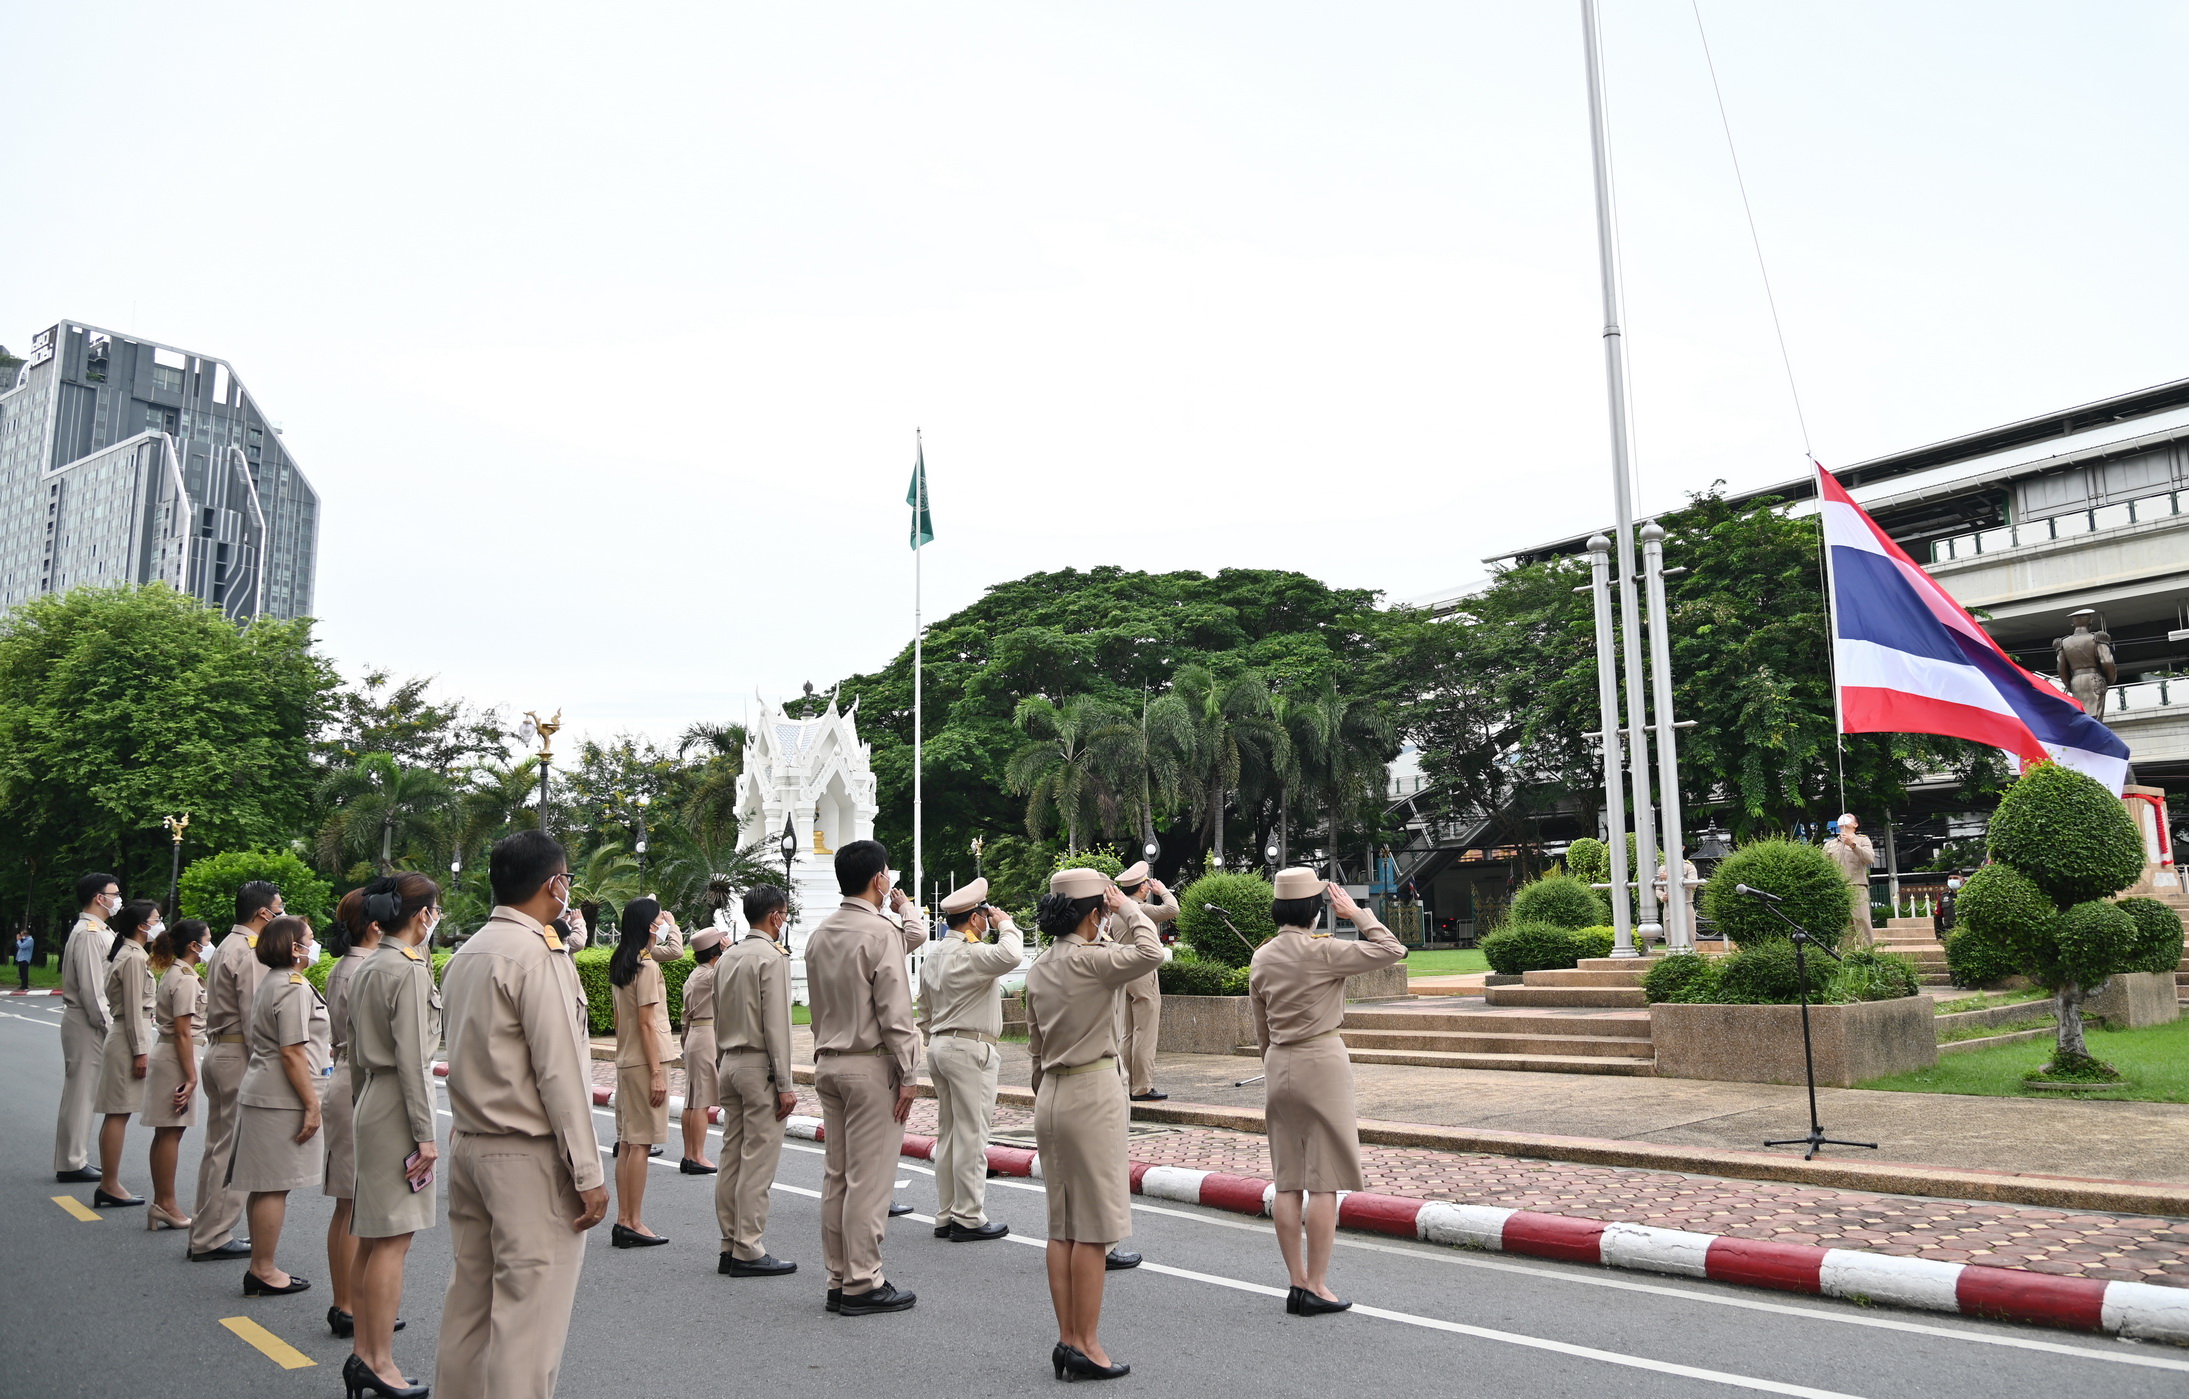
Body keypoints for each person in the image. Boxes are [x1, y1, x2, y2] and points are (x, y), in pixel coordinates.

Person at [434, 830, 609, 1399]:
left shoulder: (468, 952)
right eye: (566, 880)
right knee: (528, 1323)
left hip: (470, 1142)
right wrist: (587, 1171)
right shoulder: (537, 955)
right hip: (525, 1154)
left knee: (470, 1307)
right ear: (554, 885)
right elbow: (559, 1072)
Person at [1248, 870, 1406, 1316]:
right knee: (1324, 1182)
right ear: (1315, 912)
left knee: (1288, 1181)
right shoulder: (1325, 951)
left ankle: (1296, 1282)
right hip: (1321, 1060)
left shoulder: (1262, 956)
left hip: (1278, 1062)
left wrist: (1273, 1063)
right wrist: (1357, 914)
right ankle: (1316, 1284)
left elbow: (1261, 1027)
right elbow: (1393, 949)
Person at [1025, 868, 1161, 1381]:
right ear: (1094, 913)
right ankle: (1087, 1343)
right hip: (1092, 1090)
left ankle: (1067, 1338)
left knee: (1061, 1227)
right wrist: (1129, 907)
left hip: (1052, 1093)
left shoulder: (1041, 966)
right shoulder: (1094, 962)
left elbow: (1035, 1049)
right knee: (1094, 1230)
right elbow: (1151, 952)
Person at [806, 839, 924, 1315]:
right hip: (871, 1063)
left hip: (830, 1060)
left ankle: (838, 1277)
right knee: (869, 1180)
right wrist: (909, 1071)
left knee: (837, 1176)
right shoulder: (880, 932)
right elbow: (895, 1011)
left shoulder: (820, 933)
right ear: (879, 879)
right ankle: (862, 1280)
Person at [344, 871, 444, 1399]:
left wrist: (362, 1106)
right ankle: (379, 1361)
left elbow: (354, 1054)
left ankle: (364, 1354)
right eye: (436, 910)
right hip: (399, 1108)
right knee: (392, 1240)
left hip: (373, 1099)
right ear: (423, 915)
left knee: (374, 1236)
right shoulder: (406, 969)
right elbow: (412, 1060)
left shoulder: (369, 964)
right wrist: (425, 1134)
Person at [231, 914, 332, 1297]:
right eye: (309, 938)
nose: (314, 944)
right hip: (281, 1098)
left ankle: (261, 1265)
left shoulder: (278, 981)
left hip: (269, 1092)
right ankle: (263, 1269)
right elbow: (292, 1052)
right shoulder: (291, 986)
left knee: (266, 1186)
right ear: (294, 948)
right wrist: (312, 1105)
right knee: (274, 1187)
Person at [917, 877, 1023, 1242]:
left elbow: (923, 1010)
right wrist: (1006, 924)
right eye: (985, 915)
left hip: (940, 1046)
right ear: (975, 919)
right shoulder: (972, 953)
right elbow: (1011, 955)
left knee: (948, 1134)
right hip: (969, 1048)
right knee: (972, 1135)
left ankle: (947, 1213)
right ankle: (968, 1216)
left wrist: (934, 1038)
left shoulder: (934, 955)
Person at [188, 879, 286, 1262]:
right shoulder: (250, 951)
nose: (282, 914)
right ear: (263, 913)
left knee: (218, 1147)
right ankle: (212, 1235)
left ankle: (205, 1229)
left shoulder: (228, 945)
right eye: (279, 908)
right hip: (238, 1054)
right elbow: (255, 1016)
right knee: (231, 1151)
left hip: (220, 1050)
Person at [712, 884, 799, 1278]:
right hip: (759, 1065)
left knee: (731, 1155)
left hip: (729, 1061)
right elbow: (776, 1025)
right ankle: (748, 1246)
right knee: (758, 1161)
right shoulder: (772, 958)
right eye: (784, 916)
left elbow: (716, 1015)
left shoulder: (727, 956)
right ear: (775, 916)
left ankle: (730, 1243)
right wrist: (785, 1083)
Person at [322, 885, 386, 1338]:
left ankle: (348, 1303)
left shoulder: (349, 964)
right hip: (357, 1079)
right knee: (351, 1202)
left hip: (347, 1073)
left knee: (350, 1202)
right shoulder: (363, 968)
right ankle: (346, 1305)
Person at [608, 896, 678, 1246]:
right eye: (659, 919)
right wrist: (656, 1073)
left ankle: (625, 1220)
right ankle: (633, 1221)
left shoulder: (622, 960)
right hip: (646, 1060)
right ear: (649, 926)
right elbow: (647, 1023)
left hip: (627, 1058)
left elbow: (622, 1019)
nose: (663, 924)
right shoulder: (646, 967)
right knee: (640, 1144)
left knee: (628, 1143)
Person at [90, 899, 162, 1208]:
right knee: (118, 1113)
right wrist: (140, 1052)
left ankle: (109, 1183)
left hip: (125, 1037)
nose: (160, 925)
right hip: (127, 1040)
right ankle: (110, 1184)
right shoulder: (132, 957)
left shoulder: (132, 953)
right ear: (142, 926)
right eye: (156, 919)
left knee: (118, 1112)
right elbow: (133, 1010)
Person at [141, 918, 211, 1230]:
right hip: (177, 1058)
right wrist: (191, 1076)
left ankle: (161, 1203)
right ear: (194, 946)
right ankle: (166, 1204)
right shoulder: (185, 979)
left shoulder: (179, 973)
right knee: (171, 1131)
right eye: (207, 940)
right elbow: (183, 1031)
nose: (210, 946)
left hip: (171, 1055)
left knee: (167, 1132)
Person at [54, 872, 120, 1183]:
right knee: (81, 1093)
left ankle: (75, 1157)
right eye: (114, 894)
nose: (118, 899)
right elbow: (93, 991)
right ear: (99, 898)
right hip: (87, 1020)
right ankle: (71, 1162)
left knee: (85, 1092)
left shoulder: (99, 930)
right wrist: (111, 1029)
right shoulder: (91, 934)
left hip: (88, 1020)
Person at [1111, 862, 1178, 1103]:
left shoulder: (1116, 912)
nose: (1149, 888)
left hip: (1123, 971)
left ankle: (1127, 1084)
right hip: (1142, 971)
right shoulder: (1141, 909)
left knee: (1128, 1033)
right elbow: (1173, 908)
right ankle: (1142, 1087)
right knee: (1145, 1032)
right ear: (1141, 888)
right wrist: (1163, 890)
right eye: (1147, 885)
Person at [677, 927, 725, 1174]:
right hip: (706, 1034)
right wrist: (730, 949)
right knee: (701, 1101)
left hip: (695, 1034)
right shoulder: (710, 975)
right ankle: (697, 1155)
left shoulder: (695, 975)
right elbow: (731, 970)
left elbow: (685, 1016)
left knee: (692, 1099)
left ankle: (689, 1154)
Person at [1826, 815, 1877, 944]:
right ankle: (1845, 954)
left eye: (1848, 817)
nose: (1844, 818)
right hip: (1837, 889)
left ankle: (1868, 953)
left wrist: (1852, 845)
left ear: (1855, 824)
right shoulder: (1830, 844)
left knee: (1861, 921)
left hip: (1856, 886)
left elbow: (1870, 858)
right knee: (1843, 925)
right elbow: (1823, 866)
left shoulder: (1862, 840)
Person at [14, 926, 32, 991]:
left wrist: (19, 940)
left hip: (25, 958)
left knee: (24, 973)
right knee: (21, 973)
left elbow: (22, 946)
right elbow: (18, 946)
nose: (21, 936)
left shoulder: (30, 940)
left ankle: (25, 986)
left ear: (26, 934)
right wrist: (19, 940)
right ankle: (22, 985)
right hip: (20, 958)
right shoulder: (24, 940)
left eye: (22, 935)